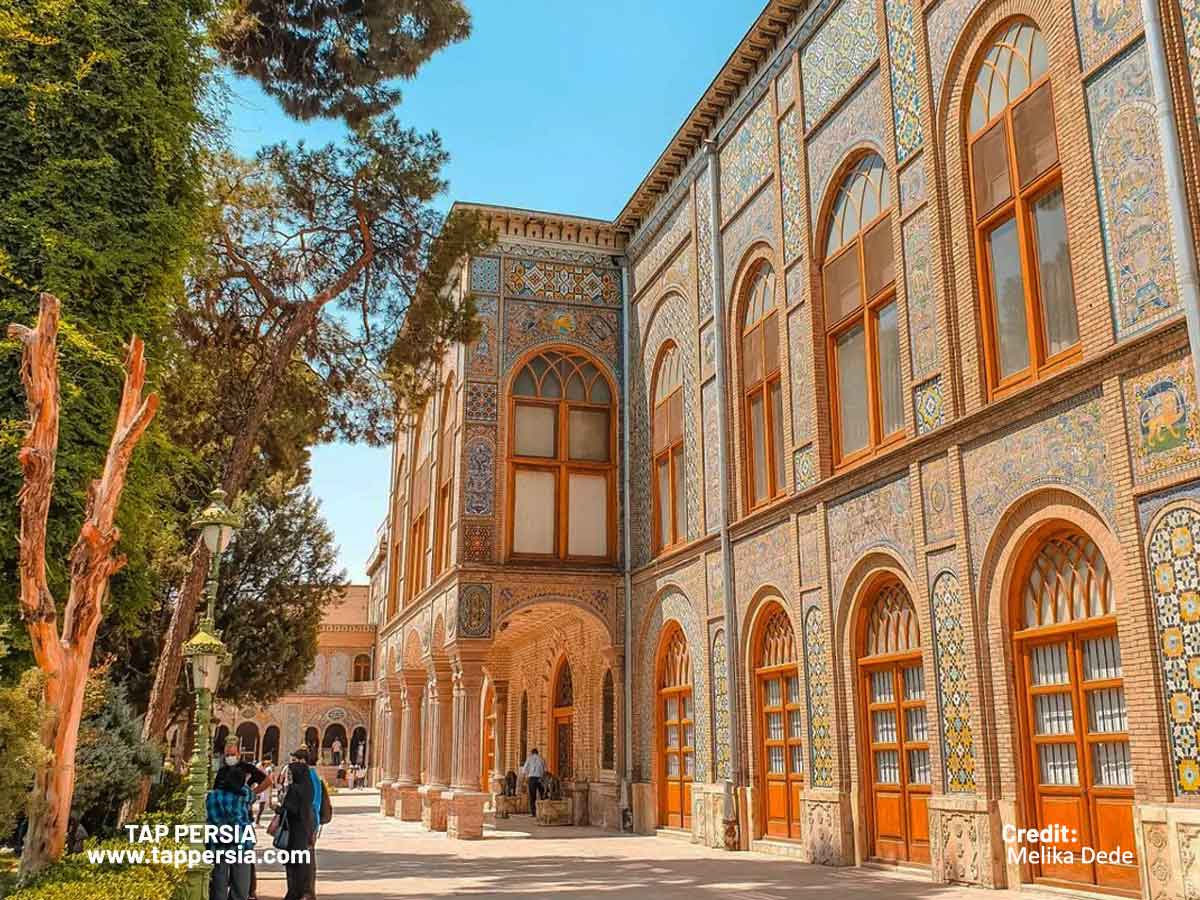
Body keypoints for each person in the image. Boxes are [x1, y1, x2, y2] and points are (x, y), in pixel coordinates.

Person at [207, 763, 255, 900]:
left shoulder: (212, 796)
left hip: (218, 842)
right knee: (241, 883)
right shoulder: (244, 795)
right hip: (241, 842)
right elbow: (252, 795)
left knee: (219, 881)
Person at [277, 752, 317, 900]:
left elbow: (288, 808)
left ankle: (294, 893)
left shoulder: (294, 789)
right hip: (306, 829)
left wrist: (277, 808)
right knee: (302, 864)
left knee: (293, 866)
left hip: (294, 833)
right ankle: (303, 892)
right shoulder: (308, 787)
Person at [522, 748, 546, 817]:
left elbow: (524, 769)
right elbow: (545, 770)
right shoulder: (541, 758)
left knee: (532, 796)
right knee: (542, 795)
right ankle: (543, 811)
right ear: (537, 753)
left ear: (532, 753)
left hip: (532, 778)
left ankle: (534, 813)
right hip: (540, 779)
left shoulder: (529, 758)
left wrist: (524, 778)